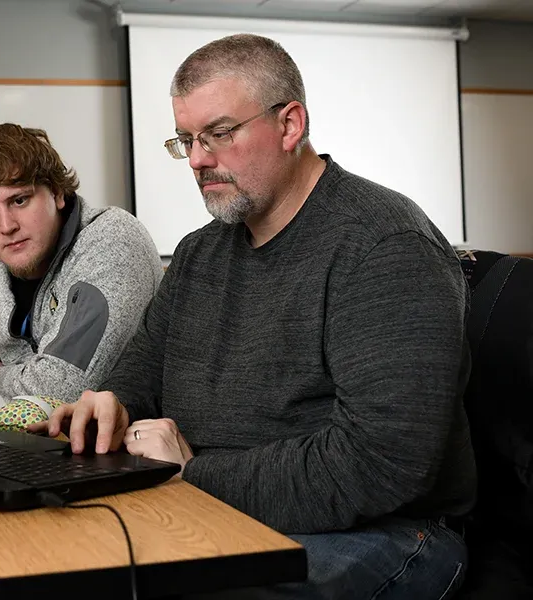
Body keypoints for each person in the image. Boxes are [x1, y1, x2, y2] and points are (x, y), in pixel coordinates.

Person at [35, 34, 477, 599]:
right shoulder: (200, 252)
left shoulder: (385, 245)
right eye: (186, 140)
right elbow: (143, 373)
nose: (197, 159)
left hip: (384, 534)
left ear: (291, 125)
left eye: (218, 134)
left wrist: (190, 475)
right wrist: (111, 405)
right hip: (215, 502)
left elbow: (382, 462)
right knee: (60, 557)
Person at [0, 123, 163, 404]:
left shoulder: (113, 239)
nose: (6, 226)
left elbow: (65, 388)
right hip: (13, 441)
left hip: (112, 442)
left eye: (19, 200)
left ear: (56, 193)